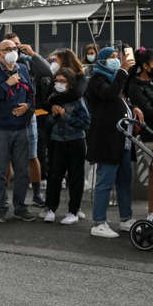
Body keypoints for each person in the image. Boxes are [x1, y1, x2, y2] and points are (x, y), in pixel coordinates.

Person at [86, 46, 142, 238]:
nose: (116, 60)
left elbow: (121, 99)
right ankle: (98, 222)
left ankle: (126, 218)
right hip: (107, 140)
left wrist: (133, 108)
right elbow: (109, 94)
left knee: (124, 181)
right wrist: (123, 71)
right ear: (102, 60)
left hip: (123, 139)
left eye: (117, 56)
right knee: (105, 181)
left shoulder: (115, 78)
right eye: (111, 57)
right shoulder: (97, 80)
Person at [0, 38, 36, 223]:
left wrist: (27, 107)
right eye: (8, 49)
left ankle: (20, 208)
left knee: (22, 172)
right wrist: (7, 84)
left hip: (21, 128)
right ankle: (1, 209)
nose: (13, 51)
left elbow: (31, 93)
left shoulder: (23, 68)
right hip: (0, 129)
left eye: (14, 48)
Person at [41, 67, 90, 224]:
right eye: (57, 81)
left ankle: (73, 211)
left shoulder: (77, 99)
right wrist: (54, 115)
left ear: (70, 83)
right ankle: (50, 209)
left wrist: (65, 115)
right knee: (54, 176)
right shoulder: (52, 98)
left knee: (76, 178)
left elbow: (85, 122)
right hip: (56, 141)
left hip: (76, 141)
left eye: (63, 81)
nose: (59, 84)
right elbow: (47, 123)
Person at [6, 32, 50, 207]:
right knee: (7, 157)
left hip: (29, 114)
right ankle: (5, 196)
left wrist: (32, 54)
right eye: (10, 46)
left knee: (32, 156)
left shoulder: (27, 62)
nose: (14, 49)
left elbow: (47, 71)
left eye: (17, 45)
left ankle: (37, 194)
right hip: (8, 116)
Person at [127, 47, 153, 220]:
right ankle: (152, 211)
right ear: (145, 66)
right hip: (150, 134)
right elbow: (148, 111)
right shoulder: (134, 86)